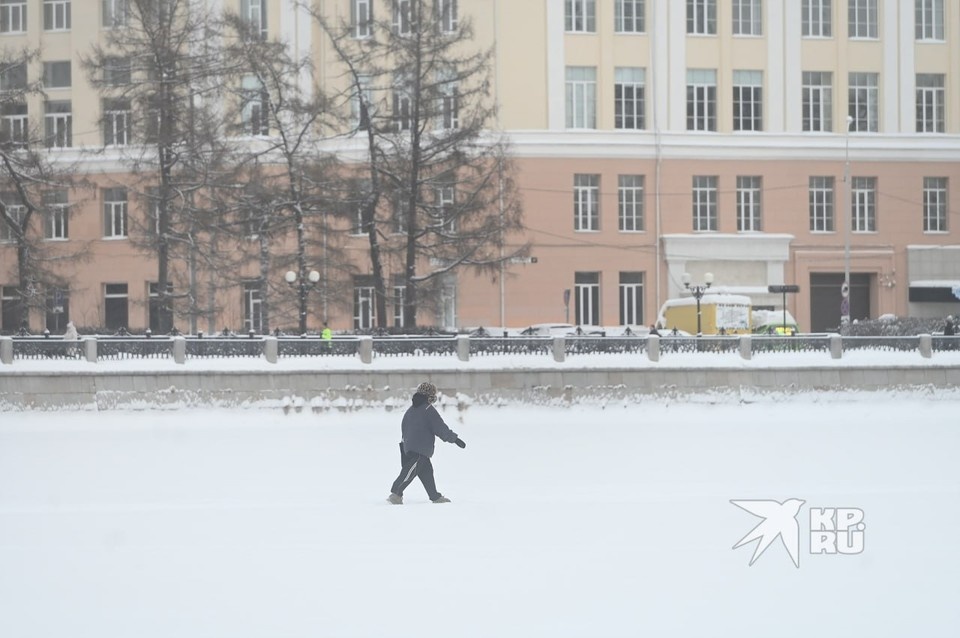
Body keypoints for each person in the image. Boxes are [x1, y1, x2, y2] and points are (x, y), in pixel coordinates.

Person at [388, 382, 465, 504]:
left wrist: (405, 448)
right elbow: (440, 428)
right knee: (409, 472)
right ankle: (396, 494)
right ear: (430, 395)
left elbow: (404, 429)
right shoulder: (428, 410)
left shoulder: (410, 410)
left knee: (427, 472)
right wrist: (454, 439)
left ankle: (434, 496)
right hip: (420, 449)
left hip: (410, 447)